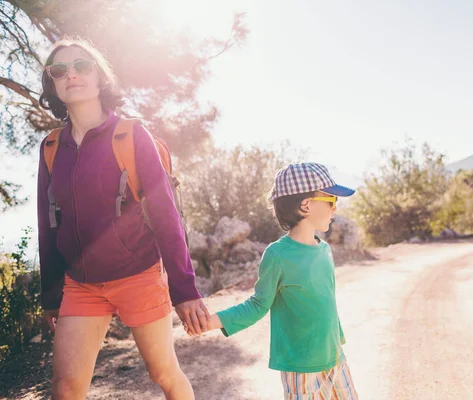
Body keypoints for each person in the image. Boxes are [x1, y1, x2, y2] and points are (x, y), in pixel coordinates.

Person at [37, 38, 207, 400]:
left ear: (100, 77)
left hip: (139, 276)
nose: (72, 75)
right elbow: (48, 222)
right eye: (59, 70)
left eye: (82, 66)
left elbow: (165, 215)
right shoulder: (51, 147)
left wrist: (184, 289)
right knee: (65, 389)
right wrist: (51, 293)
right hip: (81, 285)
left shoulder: (130, 134)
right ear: (52, 83)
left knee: (163, 373)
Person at [202, 162, 360, 399]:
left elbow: (327, 302)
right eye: (331, 201)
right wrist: (212, 322)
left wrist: (337, 343)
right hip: (301, 368)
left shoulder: (325, 250)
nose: (335, 209)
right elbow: (257, 305)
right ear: (306, 205)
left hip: (335, 358)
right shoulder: (277, 255)